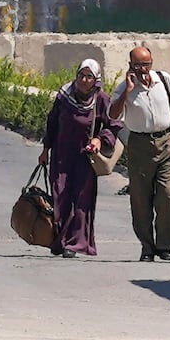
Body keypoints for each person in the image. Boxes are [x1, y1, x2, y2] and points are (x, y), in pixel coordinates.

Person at [108, 44, 170, 262]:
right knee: (141, 199)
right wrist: (127, 91)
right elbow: (113, 115)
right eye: (138, 65)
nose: (143, 69)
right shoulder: (125, 87)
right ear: (130, 66)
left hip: (168, 142)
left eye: (146, 64)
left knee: (167, 196)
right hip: (140, 146)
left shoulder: (164, 79)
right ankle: (147, 246)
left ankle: (164, 245)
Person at [39, 59, 120, 257]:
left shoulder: (101, 100)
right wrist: (45, 150)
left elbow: (113, 125)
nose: (84, 80)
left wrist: (100, 139)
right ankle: (60, 240)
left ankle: (75, 244)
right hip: (61, 155)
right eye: (81, 75)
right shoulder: (64, 96)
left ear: (96, 80)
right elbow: (52, 122)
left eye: (89, 77)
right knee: (60, 197)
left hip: (85, 157)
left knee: (81, 201)